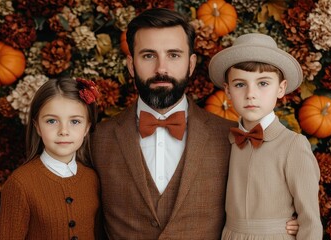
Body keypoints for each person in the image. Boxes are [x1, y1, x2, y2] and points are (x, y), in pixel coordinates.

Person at [91, 8, 299, 239]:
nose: (161, 68)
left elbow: (263, 188)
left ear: (191, 64)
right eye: (149, 55)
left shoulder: (232, 136)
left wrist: (285, 222)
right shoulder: (97, 138)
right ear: (131, 65)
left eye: (174, 55)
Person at [209, 33, 322, 239]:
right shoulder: (226, 140)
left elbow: (311, 221)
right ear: (227, 91)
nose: (251, 94)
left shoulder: (293, 145)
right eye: (240, 84)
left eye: (263, 83)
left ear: (281, 88)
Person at [0, 77, 102, 240]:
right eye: (52, 121)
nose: (63, 131)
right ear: (37, 126)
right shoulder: (20, 184)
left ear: (87, 127)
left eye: (75, 121)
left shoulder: (92, 178)